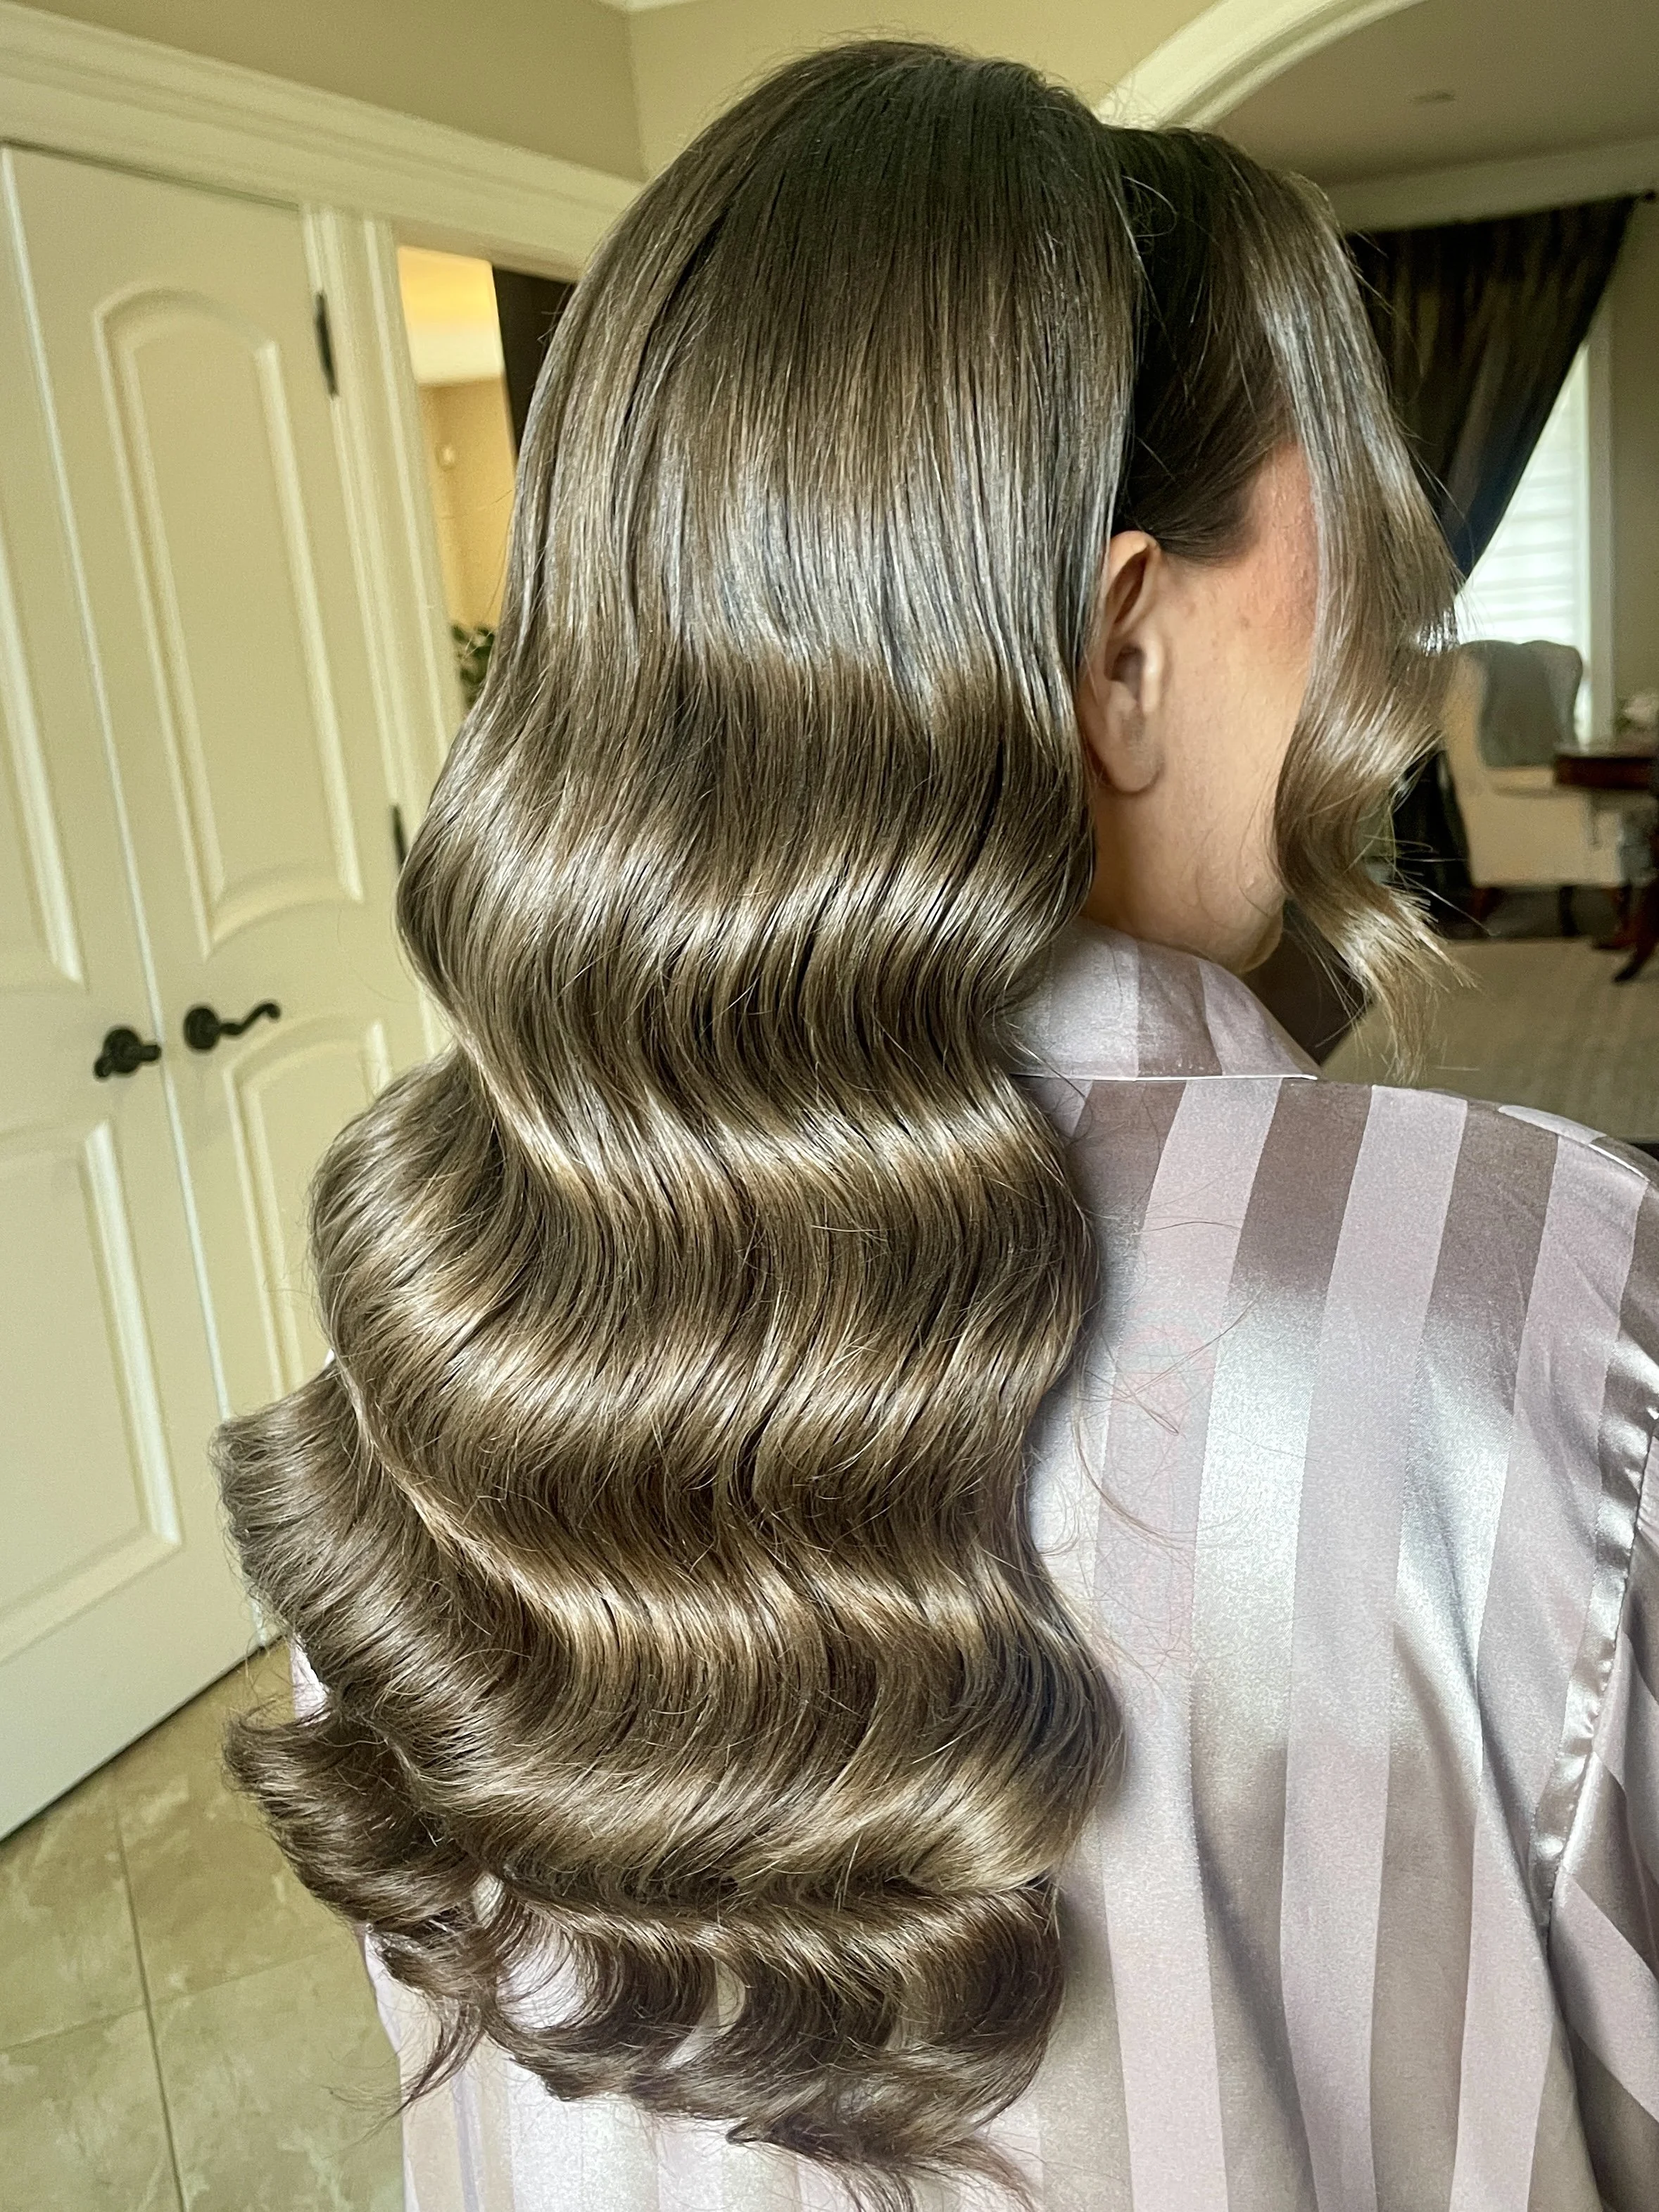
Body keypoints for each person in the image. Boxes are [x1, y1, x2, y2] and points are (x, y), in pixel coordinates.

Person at [215, 42, 1659, 2212]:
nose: (1359, 624)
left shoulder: (419, 1319)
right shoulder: (1542, 1314)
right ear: (1122, 642)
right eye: (1324, 535)